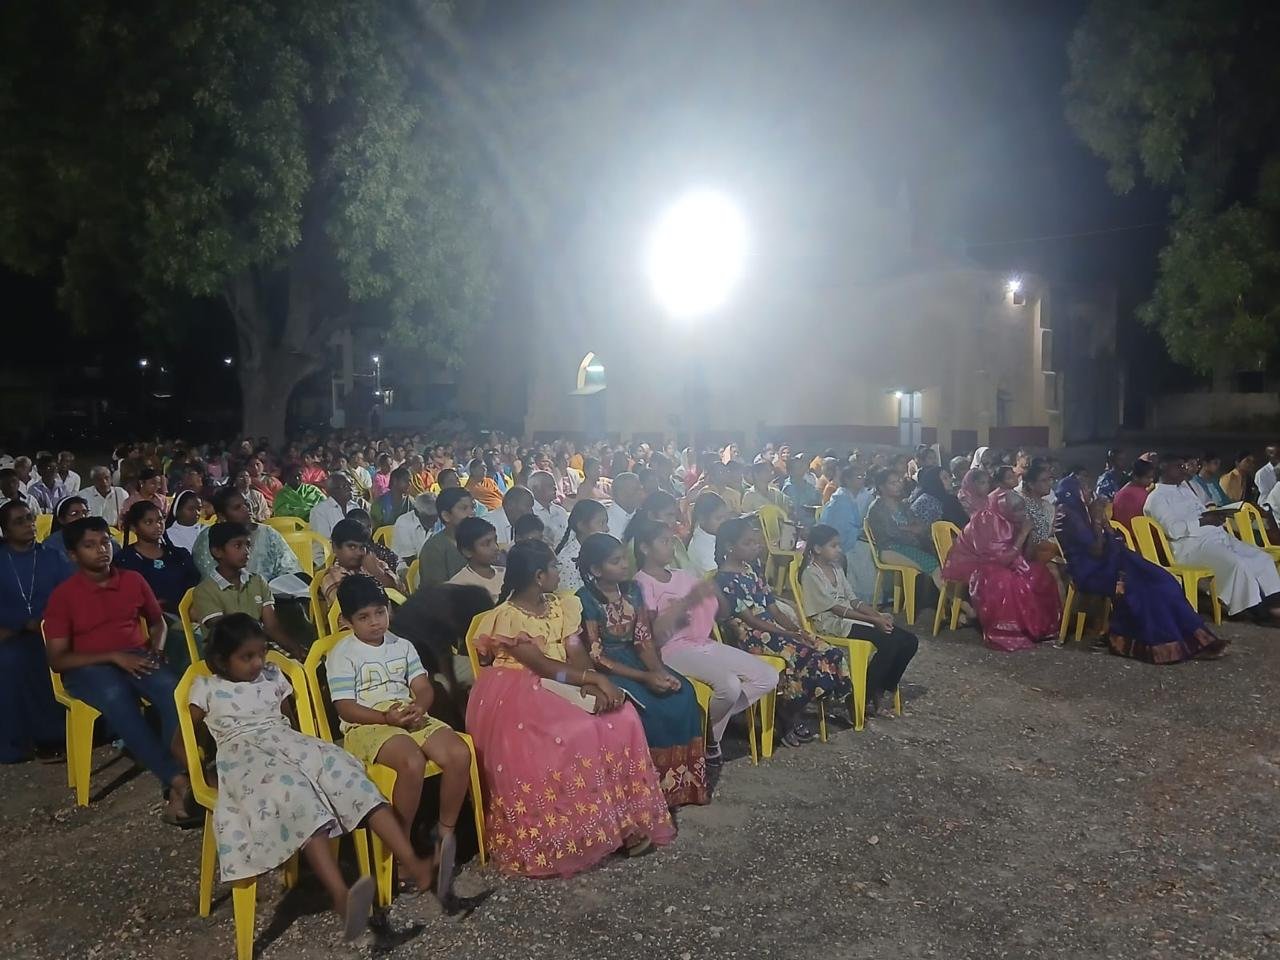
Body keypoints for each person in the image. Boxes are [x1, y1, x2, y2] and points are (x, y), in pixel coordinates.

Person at [184, 615, 434, 936]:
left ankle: (411, 861)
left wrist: (305, 753)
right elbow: (184, 742)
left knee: (352, 776)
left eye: (261, 653)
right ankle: (340, 895)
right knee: (301, 798)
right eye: (247, 657)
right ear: (220, 660)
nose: (258, 662)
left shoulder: (272, 676)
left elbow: (288, 720)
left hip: (287, 743)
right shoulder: (207, 688)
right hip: (246, 757)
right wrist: (203, 773)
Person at [465, 540, 675, 877]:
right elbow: (545, 666)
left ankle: (622, 821)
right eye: (553, 567)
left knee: (623, 717)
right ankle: (571, 835)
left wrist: (590, 682)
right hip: (522, 689)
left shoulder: (560, 606)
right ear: (538, 575)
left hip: (563, 678)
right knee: (576, 732)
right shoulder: (507, 617)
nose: (558, 572)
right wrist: (593, 680)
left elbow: (574, 651)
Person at [327, 576, 474, 897]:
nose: (375, 623)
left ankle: (444, 837)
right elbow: (346, 707)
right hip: (367, 723)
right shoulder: (343, 653)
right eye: (364, 618)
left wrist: (420, 707)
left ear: (389, 610)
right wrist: (384, 717)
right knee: (411, 761)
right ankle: (400, 850)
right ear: (347, 621)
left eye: (380, 613)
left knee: (459, 753)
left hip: (407, 713)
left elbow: (422, 686)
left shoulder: (402, 645)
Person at [44, 517, 195, 823]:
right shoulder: (64, 596)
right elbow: (58, 660)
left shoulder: (132, 580)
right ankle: (179, 781)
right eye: (90, 545)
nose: (102, 550)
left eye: (104, 542)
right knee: (117, 697)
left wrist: (159, 649)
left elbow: (157, 622)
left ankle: (174, 789)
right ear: (73, 555)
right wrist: (113, 656)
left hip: (135, 656)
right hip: (86, 667)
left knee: (174, 692)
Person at [574, 533, 708, 808]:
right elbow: (597, 655)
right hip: (610, 668)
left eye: (625, 558)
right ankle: (649, 793)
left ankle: (683, 785)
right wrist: (646, 678)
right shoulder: (584, 599)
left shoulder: (633, 590)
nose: (625, 565)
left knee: (683, 692)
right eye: (616, 561)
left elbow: (643, 638)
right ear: (596, 570)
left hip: (638, 658)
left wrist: (659, 672)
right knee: (647, 706)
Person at [631, 518, 776, 763]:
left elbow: (723, 613)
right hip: (671, 650)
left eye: (672, 541)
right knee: (729, 686)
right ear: (645, 548)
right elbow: (653, 635)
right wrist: (686, 603)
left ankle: (706, 730)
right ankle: (711, 740)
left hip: (700, 642)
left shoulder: (683, 576)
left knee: (768, 676)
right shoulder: (640, 583)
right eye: (664, 542)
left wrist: (714, 592)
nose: (671, 547)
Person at [1054, 476, 1228, 662]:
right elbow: (1095, 551)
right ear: (1075, 493)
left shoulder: (1085, 510)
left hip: (1111, 562)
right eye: (1085, 488)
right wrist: (1097, 521)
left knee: (1165, 581)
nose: (1090, 491)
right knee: (1146, 590)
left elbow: (1111, 538)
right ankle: (1156, 644)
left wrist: (1103, 521)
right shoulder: (1066, 514)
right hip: (1091, 572)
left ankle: (1196, 640)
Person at [714, 517, 852, 745]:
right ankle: (787, 715)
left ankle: (795, 706)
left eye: (754, 541)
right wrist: (788, 635)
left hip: (773, 629)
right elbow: (751, 621)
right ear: (730, 546)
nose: (755, 546)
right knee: (806, 655)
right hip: (751, 637)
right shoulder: (725, 580)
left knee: (828, 651)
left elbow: (775, 610)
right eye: (747, 543)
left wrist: (797, 630)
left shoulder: (752, 569)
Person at [800, 525, 918, 716]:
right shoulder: (811, 574)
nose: (839, 549)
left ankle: (878, 688)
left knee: (910, 641)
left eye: (838, 545)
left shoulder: (836, 568)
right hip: (832, 623)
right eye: (833, 545)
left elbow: (854, 600)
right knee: (890, 641)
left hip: (849, 618)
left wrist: (877, 616)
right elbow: (836, 609)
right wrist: (873, 620)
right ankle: (859, 698)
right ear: (817, 548)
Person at [1144, 456, 1280, 619]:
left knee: (1261, 558)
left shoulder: (1185, 489)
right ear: (1163, 468)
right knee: (1238, 564)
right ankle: (1258, 612)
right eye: (1178, 466)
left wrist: (1217, 516)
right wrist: (1204, 521)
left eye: (1183, 465)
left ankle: (1274, 603)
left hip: (1214, 536)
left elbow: (1201, 511)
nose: (1183, 469)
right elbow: (1174, 530)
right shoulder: (1156, 498)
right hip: (1191, 546)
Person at [941, 489, 1062, 651]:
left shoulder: (1012, 519)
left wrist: (1029, 536)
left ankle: (1037, 627)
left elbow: (1024, 555)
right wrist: (1023, 533)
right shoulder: (987, 521)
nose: (1022, 513)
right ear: (1005, 509)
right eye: (1017, 509)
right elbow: (1000, 559)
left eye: (1022, 508)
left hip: (1003, 561)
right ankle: (1009, 630)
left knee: (1038, 573)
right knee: (1007, 581)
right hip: (975, 564)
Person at [0, 502, 72, 763]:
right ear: (5, 530)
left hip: (50, 630)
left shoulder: (51, 556)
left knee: (52, 655)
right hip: (9, 633)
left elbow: (69, 596)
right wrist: (17, 625)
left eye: (30, 518)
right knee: (11, 661)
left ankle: (53, 735)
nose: (29, 523)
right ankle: (16, 742)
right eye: (19, 521)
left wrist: (47, 622)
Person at [190, 522, 303, 658]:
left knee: (302, 664)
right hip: (226, 656)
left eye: (248, 545)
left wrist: (296, 650)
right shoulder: (204, 591)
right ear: (217, 551)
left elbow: (272, 627)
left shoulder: (257, 581)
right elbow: (228, 633)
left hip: (259, 648)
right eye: (238, 546)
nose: (246, 551)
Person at [190, 487, 302, 582]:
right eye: (237, 508)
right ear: (222, 517)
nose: (246, 509)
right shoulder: (208, 539)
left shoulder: (268, 533)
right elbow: (211, 579)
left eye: (246, 504)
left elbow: (290, 568)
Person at [115, 500, 202, 621]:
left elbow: (195, 584)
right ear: (135, 527)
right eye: (148, 522)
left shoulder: (179, 555)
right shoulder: (124, 560)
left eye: (160, 520)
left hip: (188, 613)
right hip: (150, 620)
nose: (157, 525)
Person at [866, 471, 944, 593]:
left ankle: (941, 605)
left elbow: (920, 525)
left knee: (942, 558)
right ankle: (961, 608)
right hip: (889, 549)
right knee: (934, 566)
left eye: (899, 481)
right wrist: (912, 529)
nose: (898, 485)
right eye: (893, 483)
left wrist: (909, 528)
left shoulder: (902, 505)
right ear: (881, 487)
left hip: (909, 545)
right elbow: (892, 533)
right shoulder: (877, 508)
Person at [319, 518, 398, 625]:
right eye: (352, 547)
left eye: (362, 547)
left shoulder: (375, 564)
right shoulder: (332, 576)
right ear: (335, 547)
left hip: (391, 625)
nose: (358, 553)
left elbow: (399, 594)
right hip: (352, 632)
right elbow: (357, 607)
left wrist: (376, 571)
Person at [623, 491, 693, 573]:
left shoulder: (675, 541)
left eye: (675, 515)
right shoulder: (634, 547)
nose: (674, 520)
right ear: (651, 516)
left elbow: (690, 572)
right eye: (669, 515)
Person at [416, 488, 473, 587]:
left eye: (472, 508)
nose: (471, 513)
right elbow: (437, 593)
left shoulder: (478, 541)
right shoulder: (433, 548)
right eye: (464, 508)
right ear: (446, 516)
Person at [556, 498, 609, 594]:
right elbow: (571, 601)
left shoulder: (603, 551)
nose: (607, 529)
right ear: (581, 526)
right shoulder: (567, 561)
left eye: (606, 523)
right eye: (601, 523)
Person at [447, 516, 501, 601]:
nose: (495, 547)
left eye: (495, 540)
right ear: (467, 551)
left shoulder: (507, 574)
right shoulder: (458, 586)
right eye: (486, 544)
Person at [309, 472, 366, 543]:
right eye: (345, 486)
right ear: (332, 491)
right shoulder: (319, 511)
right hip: (330, 552)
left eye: (350, 485)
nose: (351, 489)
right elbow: (324, 541)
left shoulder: (354, 506)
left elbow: (361, 533)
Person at [687, 490, 729, 575]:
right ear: (702, 518)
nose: (724, 522)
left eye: (725, 517)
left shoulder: (714, 534)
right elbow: (719, 576)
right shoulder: (701, 548)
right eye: (719, 518)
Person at [1111, 459, 1155, 532]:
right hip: (1142, 536)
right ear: (1135, 477)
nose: (1151, 480)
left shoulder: (1120, 492)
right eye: (1148, 477)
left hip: (1125, 536)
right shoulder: (1143, 495)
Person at [393, 492, 438, 563]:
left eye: (436, 516)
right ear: (417, 513)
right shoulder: (403, 523)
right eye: (429, 517)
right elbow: (409, 560)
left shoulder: (440, 520)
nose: (435, 520)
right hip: (407, 567)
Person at [528, 471, 570, 547]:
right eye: (550, 485)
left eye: (554, 485)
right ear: (535, 489)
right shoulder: (530, 513)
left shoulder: (560, 511)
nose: (555, 488)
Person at [605, 472, 643, 540]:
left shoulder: (643, 517)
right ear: (620, 494)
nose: (641, 493)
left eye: (641, 489)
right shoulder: (605, 522)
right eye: (636, 490)